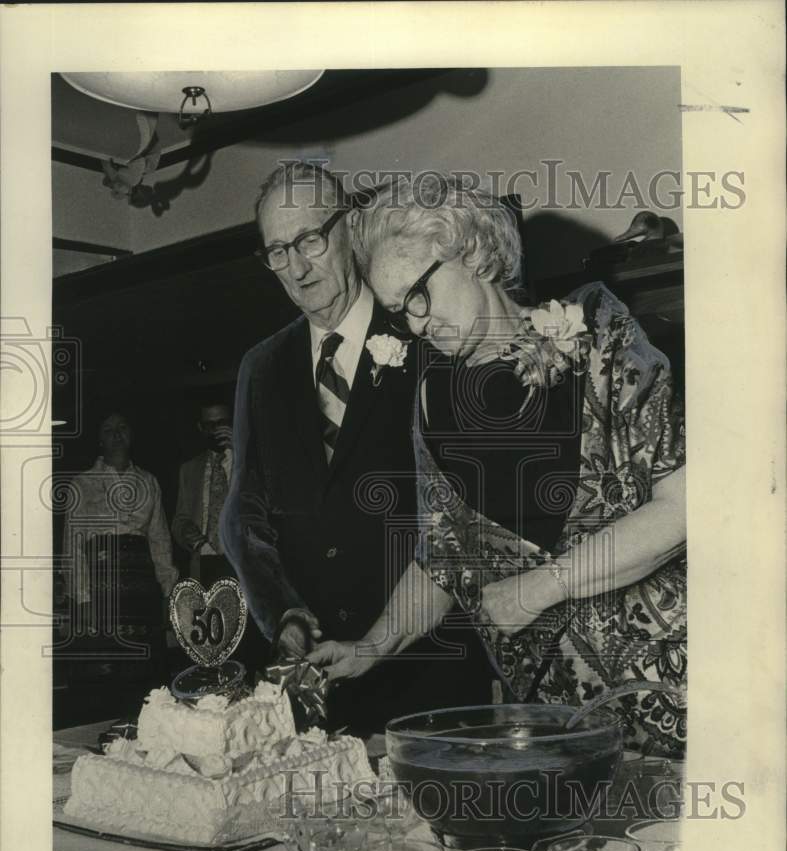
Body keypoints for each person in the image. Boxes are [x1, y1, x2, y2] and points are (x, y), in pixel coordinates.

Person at [308, 174, 687, 757]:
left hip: (682, 689)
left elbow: (685, 510)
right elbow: (444, 556)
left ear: (473, 251)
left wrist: (539, 589)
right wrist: (372, 646)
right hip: (566, 724)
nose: (414, 323)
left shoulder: (598, 338)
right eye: (395, 312)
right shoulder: (433, 398)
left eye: (418, 295)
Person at [220, 161, 490, 734]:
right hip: (319, 688)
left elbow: (470, 516)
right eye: (277, 251)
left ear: (350, 227)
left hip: (430, 674)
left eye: (310, 240)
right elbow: (245, 510)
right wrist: (282, 610)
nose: (295, 266)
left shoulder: (428, 332)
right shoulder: (260, 367)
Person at [62, 412, 178, 688]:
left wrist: (167, 592)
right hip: (99, 592)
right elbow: (73, 547)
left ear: (132, 434)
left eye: (122, 427)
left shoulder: (149, 481)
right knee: (102, 677)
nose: (116, 434)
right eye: (108, 429)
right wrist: (83, 600)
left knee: (145, 678)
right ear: (99, 440)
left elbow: (160, 540)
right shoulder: (81, 484)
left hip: (142, 591)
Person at [171, 397, 234, 588]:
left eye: (222, 423)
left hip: (242, 563)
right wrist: (186, 532)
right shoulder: (188, 469)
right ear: (200, 428)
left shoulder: (252, 463)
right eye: (209, 425)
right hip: (204, 564)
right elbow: (179, 520)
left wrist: (240, 451)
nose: (215, 430)